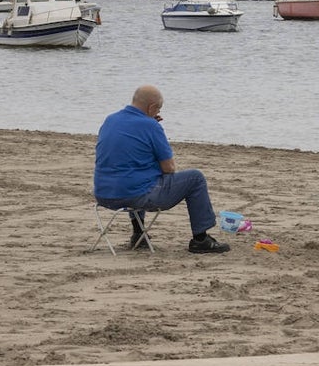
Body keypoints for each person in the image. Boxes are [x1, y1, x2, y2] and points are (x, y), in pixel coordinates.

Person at [93, 85, 230, 254]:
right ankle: (200, 238)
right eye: (158, 108)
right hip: (134, 195)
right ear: (152, 107)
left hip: (104, 194)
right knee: (195, 178)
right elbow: (169, 168)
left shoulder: (110, 120)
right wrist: (152, 127)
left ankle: (138, 233)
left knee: (138, 174)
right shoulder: (151, 126)